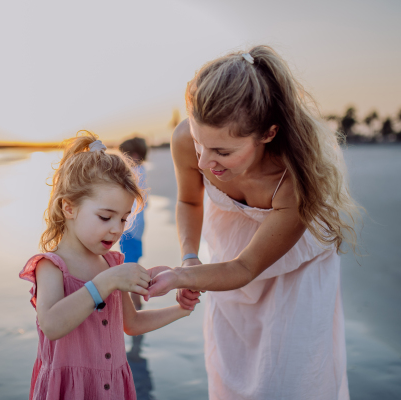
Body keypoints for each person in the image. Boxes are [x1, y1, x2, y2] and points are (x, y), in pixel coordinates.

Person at [147, 46, 359, 399]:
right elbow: (188, 200)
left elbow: (246, 267)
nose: (204, 162)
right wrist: (189, 259)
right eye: (200, 144)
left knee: (289, 380)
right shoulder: (186, 140)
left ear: (268, 134)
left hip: (293, 276)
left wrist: (181, 278)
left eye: (223, 153)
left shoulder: (294, 179)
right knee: (230, 377)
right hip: (224, 270)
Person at [19, 131, 192, 400]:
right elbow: (51, 324)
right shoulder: (51, 267)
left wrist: (181, 308)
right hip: (70, 390)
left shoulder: (111, 263)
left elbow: (131, 323)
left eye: (123, 219)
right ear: (69, 208)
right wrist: (106, 281)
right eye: (105, 217)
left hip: (112, 388)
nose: (116, 230)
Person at [119, 136, 148, 310]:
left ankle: (135, 306)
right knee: (132, 263)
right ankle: (136, 303)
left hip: (131, 228)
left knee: (130, 266)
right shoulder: (142, 170)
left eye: (124, 156)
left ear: (134, 156)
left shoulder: (136, 172)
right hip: (136, 226)